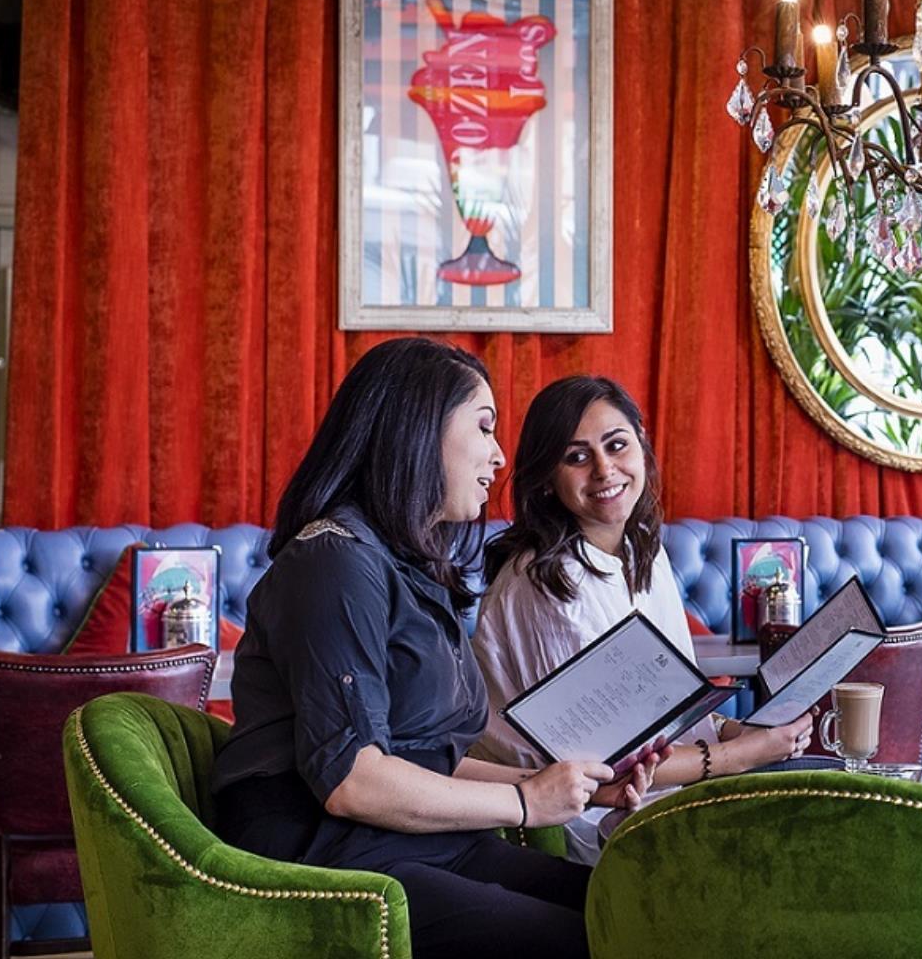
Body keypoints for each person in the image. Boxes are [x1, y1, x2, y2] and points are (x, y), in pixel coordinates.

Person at [211, 339, 659, 959]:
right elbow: (352, 779)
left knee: (642, 912)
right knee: (591, 939)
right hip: (326, 859)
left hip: (412, 840)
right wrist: (526, 802)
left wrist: (558, 785)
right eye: (483, 427)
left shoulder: (406, 564)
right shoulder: (333, 561)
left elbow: (423, 756)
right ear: (418, 431)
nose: (500, 456)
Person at [470, 374, 814, 864]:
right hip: (587, 821)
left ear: (642, 448)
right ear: (547, 478)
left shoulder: (642, 551)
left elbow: (667, 707)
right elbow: (602, 764)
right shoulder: (547, 580)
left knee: (833, 791)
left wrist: (739, 731)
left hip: (662, 791)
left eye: (616, 445)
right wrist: (745, 754)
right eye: (577, 457)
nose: (605, 470)